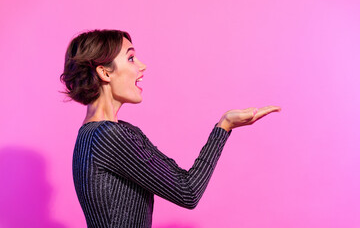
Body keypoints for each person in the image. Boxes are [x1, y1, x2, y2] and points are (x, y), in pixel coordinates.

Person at [60, 29, 281, 228]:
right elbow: (188, 192)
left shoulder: (97, 134)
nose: (142, 65)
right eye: (131, 58)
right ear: (105, 73)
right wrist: (224, 126)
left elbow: (178, 178)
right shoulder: (108, 136)